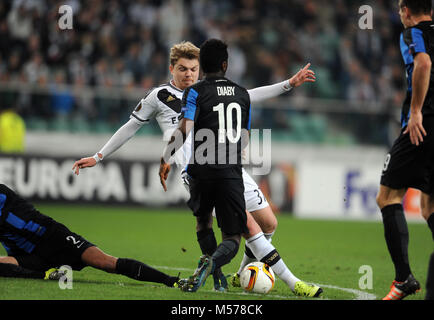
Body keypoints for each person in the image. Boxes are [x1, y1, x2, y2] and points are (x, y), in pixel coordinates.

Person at [71, 41, 316, 291]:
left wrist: (288, 84)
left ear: (201, 69)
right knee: (247, 227)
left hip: (228, 164)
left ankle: (240, 273)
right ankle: (291, 283)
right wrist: (99, 156)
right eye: (182, 69)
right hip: (198, 170)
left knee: (268, 224)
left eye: (193, 69)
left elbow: (250, 94)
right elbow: (130, 127)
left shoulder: (208, 90)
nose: (188, 74)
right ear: (171, 69)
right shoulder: (159, 97)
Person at [159, 39, 322, 297]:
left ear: (201, 66)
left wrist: (166, 156)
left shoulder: (196, 92)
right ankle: (294, 284)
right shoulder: (240, 93)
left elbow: (185, 128)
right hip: (226, 171)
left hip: (201, 170)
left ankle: (232, 275)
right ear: (226, 64)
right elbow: (244, 133)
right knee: (240, 234)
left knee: (258, 224)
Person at [0, 184, 180, 287]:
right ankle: (50, 274)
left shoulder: (2, 194)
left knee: (107, 263)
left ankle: (170, 281)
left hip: (52, 237)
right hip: (25, 255)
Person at [376, 0, 434, 300]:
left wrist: (416, 111)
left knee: (387, 196)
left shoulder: (412, 33)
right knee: (429, 207)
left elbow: (423, 63)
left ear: (406, 11)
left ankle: (403, 279)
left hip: (420, 128)